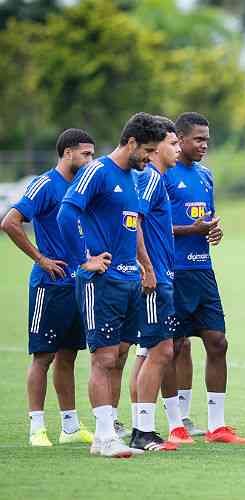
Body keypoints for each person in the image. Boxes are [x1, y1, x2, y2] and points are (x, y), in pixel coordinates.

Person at [57, 112, 168, 458]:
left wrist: (146, 266)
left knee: (119, 357)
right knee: (103, 358)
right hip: (100, 282)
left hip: (130, 280)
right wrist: (83, 260)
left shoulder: (136, 177)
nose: (151, 159)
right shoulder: (96, 171)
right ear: (131, 143)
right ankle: (102, 437)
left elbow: (132, 225)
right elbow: (66, 213)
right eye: (148, 151)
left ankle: (111, 431)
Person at [1, 129, 96, 447]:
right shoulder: (45, 184)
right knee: (43, 357)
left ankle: (69, 426)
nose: (90, 160)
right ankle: (36, 428)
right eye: (86, 154)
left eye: (93, 154)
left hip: (79, 284)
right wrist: (41, 259)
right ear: (68, 153)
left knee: (69, 356)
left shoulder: (84, 187)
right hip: (49, 285)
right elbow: (10, 222)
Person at [165, 112, 245, 444]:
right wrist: (194, 229)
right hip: (174, 273)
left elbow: (207, 218)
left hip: (203, 271)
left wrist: (213, 229)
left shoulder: (205, 175)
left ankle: (216, 426)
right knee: (172, 347)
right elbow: (154, 227)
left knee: (218, 342)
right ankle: (176, 424)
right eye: (198, 139)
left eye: (207, 139)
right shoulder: (164, 176)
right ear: (180, 139)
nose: (204, 145)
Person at [127, 117, 189, 449]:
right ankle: (143, 431)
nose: (178, 149)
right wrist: (147, 267)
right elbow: (133, 220)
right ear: (155, 149)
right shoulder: (151, 179)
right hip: (155, 278)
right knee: (161, 350)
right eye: (173, 143)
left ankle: (142, 426)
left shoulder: (154, 179)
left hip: (161, 275)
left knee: (148, 351)